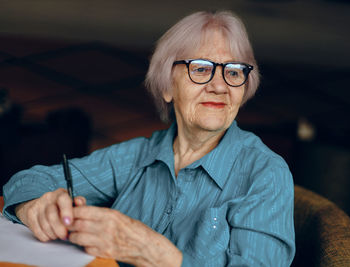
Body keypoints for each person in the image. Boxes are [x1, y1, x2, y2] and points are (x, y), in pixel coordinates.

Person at [2, 10, 295, 266]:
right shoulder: (138, 156)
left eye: (233, 72)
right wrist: (34, 208)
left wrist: (152, 253)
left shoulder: (265, 174)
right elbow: (26, 181)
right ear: (167, 87)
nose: (219, 86)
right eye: (201, 69)